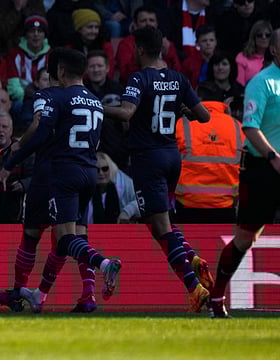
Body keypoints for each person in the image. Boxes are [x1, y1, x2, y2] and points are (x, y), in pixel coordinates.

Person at [0, 47, 122, 313]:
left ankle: (19, 293)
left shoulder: (51, 96)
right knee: (77, 233)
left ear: (58, 71)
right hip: (88, 169)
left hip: (54, 173)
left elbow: (38, 130)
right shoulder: (95, 101)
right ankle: (80, 294)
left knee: (36, 235)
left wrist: (12, 159)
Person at [104, 26, 213, 313]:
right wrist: (183, 110)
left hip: (147, 159)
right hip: (171, 157)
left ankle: (194, 287)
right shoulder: (178, 79)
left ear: (140, 49)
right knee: (156, 223)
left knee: (161, 226)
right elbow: (204, 116)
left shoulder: (139, 78)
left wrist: (97, 106)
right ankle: (192, 258)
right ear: (162, 49)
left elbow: (127, 112)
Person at [208, 28, 280, 318]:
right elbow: (250, 127)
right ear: (274, 51)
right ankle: (216, 297)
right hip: (263, 167)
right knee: (245, 238)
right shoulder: (262, 83)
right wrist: (273, 157)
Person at [174, 100, 245, 224]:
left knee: (187, 242)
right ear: (224, 106)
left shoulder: (182, 124)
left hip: (188, 204)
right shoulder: (237, 126)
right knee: (221, 243)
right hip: (225, 206)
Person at [84, 49, 128, 172]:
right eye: (92, 66)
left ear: (107, 68)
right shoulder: (80, 90)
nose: (96, 70)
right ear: (86, 69)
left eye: (100, 66)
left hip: (116, 151)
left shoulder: (118, 89)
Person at [116, 5, 181, 86]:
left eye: (151, 20)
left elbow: (177, 73)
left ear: (157, 24)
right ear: (135, 25)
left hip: (164, 87)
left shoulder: (165, 43)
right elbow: (125, 75)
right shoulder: (126, 44)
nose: (148, 24)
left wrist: (167, 55)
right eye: (143, 21)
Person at [87, 152, 139, 224]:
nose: (101, 173)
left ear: (110, 169)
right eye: (97, 170)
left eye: (105, 169)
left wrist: (126, 212)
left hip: (119, 232)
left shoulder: (123, 184)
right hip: (89, 233)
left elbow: (142, 202)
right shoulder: (84, 192)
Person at [235, 19, 272, 87]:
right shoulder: (242, 57)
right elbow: (240, 85)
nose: (264, 37)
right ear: (253, 38)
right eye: (259, 35)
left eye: (267, 35)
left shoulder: (277, 57)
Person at [181, 24, 217, 89]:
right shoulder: (188, 63)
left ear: (216, 42)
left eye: (211, 40)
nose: (208, 43)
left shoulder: (222, 60)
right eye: (204, 41)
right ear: (197, 43)